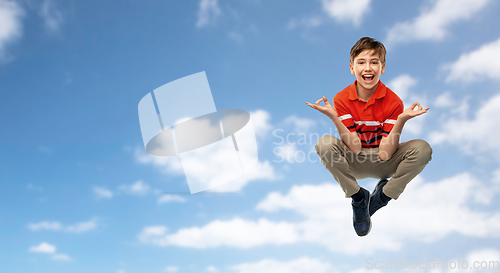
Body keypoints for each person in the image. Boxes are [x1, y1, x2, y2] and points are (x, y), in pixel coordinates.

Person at [306, 37, 432, 237]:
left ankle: (382, 197)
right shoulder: (341, 99)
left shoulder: (393, 101)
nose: (368, 68)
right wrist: (334, 117)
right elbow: (355, 148)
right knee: (324, 144)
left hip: (385, 161)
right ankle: (358, 197)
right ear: (351, 68)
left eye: (374, 62)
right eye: (361, 62)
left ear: (382, 68)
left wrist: (401, 120)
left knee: (422, 148)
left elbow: (384, 154)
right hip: (354, 161)